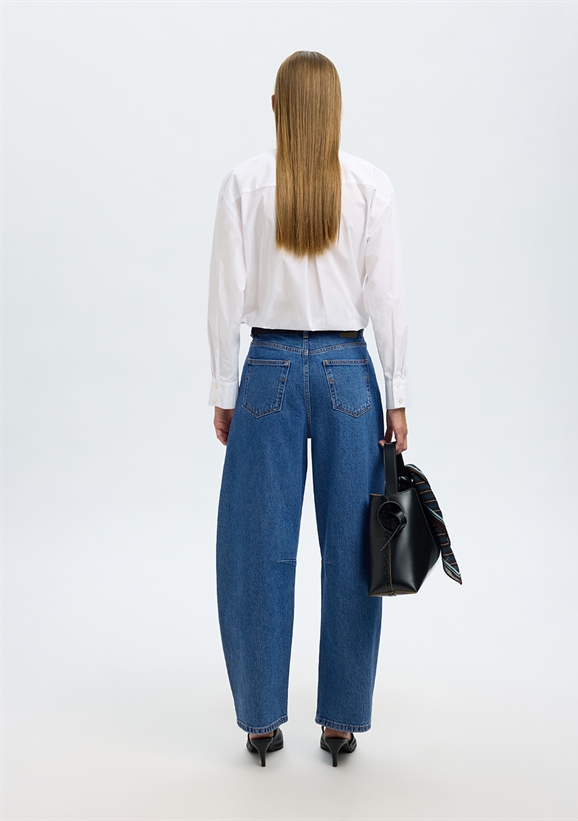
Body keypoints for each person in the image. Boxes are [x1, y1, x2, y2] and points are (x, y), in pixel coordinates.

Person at [207, 51, 409, 767]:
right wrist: (398, 394)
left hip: (268, 367)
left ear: (276, 106)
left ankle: (261, 721)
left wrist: (225, 388)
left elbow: (224, 294)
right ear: (336, 108)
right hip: (349, 371)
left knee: (254, 547)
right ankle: (341, 721)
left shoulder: (245, 183)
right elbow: (388, 296)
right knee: (354, 549)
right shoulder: (370, 184)